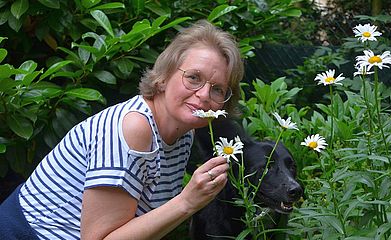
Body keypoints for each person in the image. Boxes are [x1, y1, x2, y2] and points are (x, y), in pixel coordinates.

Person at [0, 19, 244, 239]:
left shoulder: (182, 134)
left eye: (217, 89)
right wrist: (187, 202)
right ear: (164, 76)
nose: (203, 95)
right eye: (193, 77)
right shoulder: (133, 129)